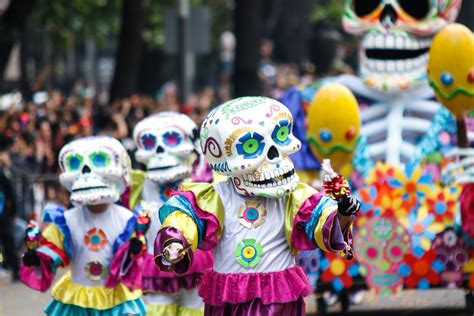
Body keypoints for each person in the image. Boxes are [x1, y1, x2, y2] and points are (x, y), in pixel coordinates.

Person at [154, 97, 359, 315]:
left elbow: (323, 222)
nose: (272, 156)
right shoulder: (216, 197)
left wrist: (343, 214)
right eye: (251, 146)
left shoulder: (294, 197)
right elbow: (187, 219)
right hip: (229, 298)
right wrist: (175, 239)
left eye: (280, 137)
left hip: (277, 297)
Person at [19, 136, 148, 315]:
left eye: (99, 161)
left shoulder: (127, 219)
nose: (87, 172)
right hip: (78, 298)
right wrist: (36, 256)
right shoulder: (66, 219)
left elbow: (134, 261)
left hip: (115, 299)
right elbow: (52, 250)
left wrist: (135, 249)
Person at [129, 112, 212, 315]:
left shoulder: (203, 178)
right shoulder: (140, 183)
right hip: (155, 257)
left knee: (195, 303)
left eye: (171, 139)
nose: (159, 149)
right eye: (149, 142)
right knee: (158, 305)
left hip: (194, 256)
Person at [0, 134, 20, 282]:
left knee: (8, 241)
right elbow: (11, 191)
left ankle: (15, 268)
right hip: (4, 212)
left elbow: (11, 191)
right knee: (8, 241)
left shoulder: (3, 170)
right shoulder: (2, 170)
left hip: (3, 211)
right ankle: (13, 267)